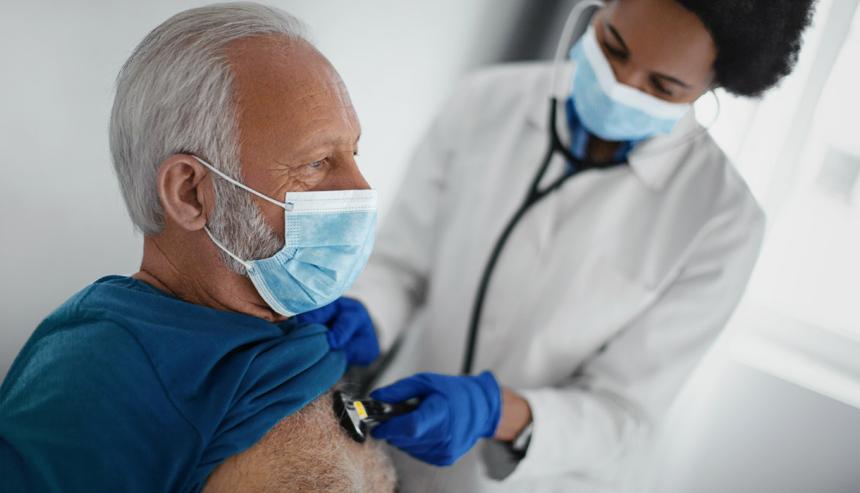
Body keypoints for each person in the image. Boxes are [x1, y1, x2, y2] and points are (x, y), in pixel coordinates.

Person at [309, 0, 819, 491]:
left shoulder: (723, 220)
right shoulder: (484, 102)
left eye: (662, 86)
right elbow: (401, 265)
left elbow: (625, 414)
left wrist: (497, 412)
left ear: (714, 85)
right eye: (613, 47)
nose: (622, 86)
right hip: (389, 450)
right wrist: (367, 311)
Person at [0, 3, 392, 492]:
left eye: (353, 154)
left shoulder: (283, 322)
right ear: (190, 192)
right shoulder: (98, 377)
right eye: (316, 163)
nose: (359, 187)